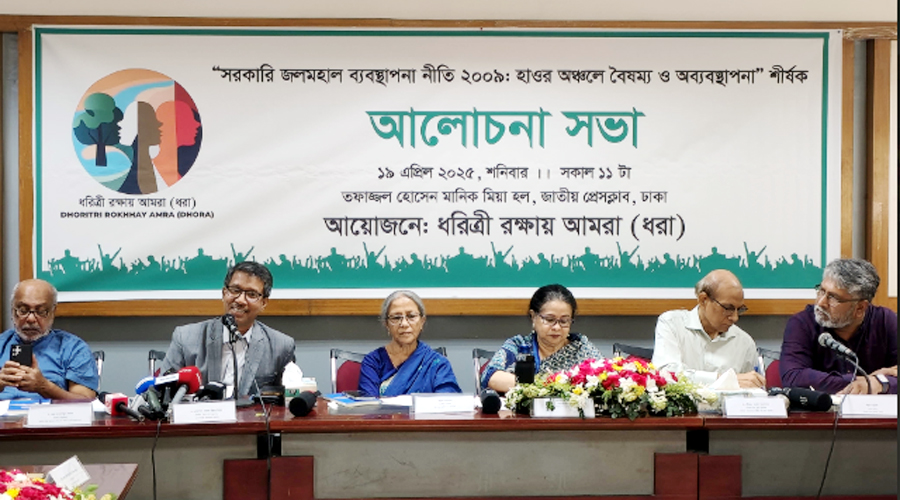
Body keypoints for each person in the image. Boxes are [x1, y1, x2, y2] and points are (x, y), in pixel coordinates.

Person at [158, 261, 296, 399]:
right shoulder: (185, 338)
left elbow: (286, 401)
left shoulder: (281, 347)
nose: (240, 300)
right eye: (235, 290)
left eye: (251, 294)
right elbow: (160, 394)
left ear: (263, 303)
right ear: (224, 293)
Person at [780, 258, 897, 394]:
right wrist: (869, 382)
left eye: (833, 297)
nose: (821, 303)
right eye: (821, 291)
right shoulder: (802, 323)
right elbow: (793, 377)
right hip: (821, 407)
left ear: (860, 308)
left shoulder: (886, 322)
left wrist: (879, 384)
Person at [651, 270, 764, 388]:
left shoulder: (745, 343)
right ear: (703, 300)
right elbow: (666, 374)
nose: (735, 318)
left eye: (739, 309)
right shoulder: (672, 324)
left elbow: (752, 390)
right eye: (728, 308)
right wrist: (723, 380)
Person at [481, 284, 602, 393]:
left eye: (564, 321)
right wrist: (545, 386)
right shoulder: (520, 345)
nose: (557, 327)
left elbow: (604, 379)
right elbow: (491, 377)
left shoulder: (581, 348)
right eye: (549, 319)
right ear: (533, 316)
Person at [0, 279, 98, 400]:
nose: (31, 319)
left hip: (52, 411)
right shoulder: (2, 343)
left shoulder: (74, 349)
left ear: (52, 312)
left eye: (41, 311)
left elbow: (86, 402)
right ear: (12, 311)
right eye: (23, 310)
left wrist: (44, 387)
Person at [358, 290, 461, 396]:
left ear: (422, 322)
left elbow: (446, 401)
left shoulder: (437, 363)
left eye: (411, 316)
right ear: (386, 324)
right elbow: (369, 403)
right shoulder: (373, 362)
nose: (404, 324)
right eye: (396, 317)